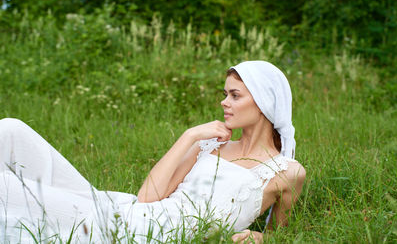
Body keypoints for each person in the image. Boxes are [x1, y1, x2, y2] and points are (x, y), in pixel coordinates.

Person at [0, 61, 306, 243]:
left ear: (264, 103)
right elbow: (147, 197)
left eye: (235, 95)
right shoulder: (212, 145)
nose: (224, 102)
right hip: (131, 214)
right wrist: (189, 137)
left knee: (8, 189)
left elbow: (281, 233)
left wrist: (262, 236)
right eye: (224, 94)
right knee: (11, 129)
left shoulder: (287, 173)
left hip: (148, 235)